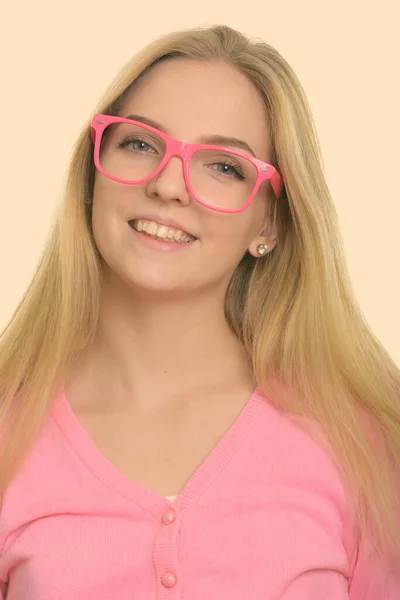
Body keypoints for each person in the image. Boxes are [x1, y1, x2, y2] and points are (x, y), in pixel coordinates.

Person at [0, 23, 399, 599]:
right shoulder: (12, 432)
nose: (168, 184)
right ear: (92, 174)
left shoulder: (361, 444)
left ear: (270, 223)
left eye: (224, 166)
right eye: (139, 143)